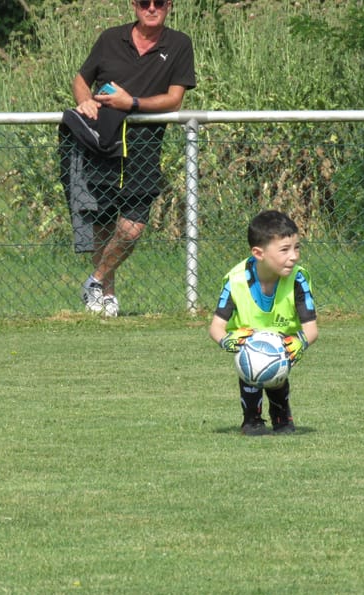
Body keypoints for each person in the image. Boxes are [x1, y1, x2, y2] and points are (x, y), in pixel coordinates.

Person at [70, 0, 196, 317]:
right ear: (133, 5)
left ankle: (94, 281)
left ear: (170, 6)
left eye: (159, 2)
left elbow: (174, 99)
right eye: (144, 2)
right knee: (102, 222)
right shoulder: (110, 38)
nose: (151, 8)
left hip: (144, 146)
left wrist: (132, 102)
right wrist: (85, 102)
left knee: (131, 229)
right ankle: (106, 295)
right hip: (103, 141)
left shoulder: (179, 44)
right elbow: (81, 79)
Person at [209, 210, 319, 436]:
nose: (294, 256)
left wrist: (300, 343)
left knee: (274, 362)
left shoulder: (298, 279)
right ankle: (252, 419)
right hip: (248, 343)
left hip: (284, 341)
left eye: (297, 247)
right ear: (258, 253)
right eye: (284, 250)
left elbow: (312, 330)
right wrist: (227, 341)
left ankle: (281, 415)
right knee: (252, 362)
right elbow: (215, 328)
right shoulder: (235, 280)